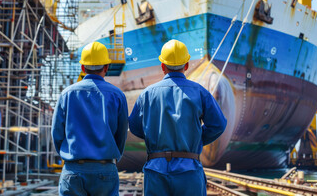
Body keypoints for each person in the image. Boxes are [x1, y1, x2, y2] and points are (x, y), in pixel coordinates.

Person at [128, 39, 227, 196]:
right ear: (186, 65)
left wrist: (154, 136)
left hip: (156, 169)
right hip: (189, 169)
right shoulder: (200, 92)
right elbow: (218, 124)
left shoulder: (147, 94)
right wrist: (196, 139)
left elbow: (134, 126)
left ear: (162, 66)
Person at [51, 41, 128, 196]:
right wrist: (111, 157)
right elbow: (121, 134)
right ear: (106, 67)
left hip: (73, 169)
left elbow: (57, 134)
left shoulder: (67, 94)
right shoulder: (117, 95)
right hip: (105, 168)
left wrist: (70, 157)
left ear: (82, 68)